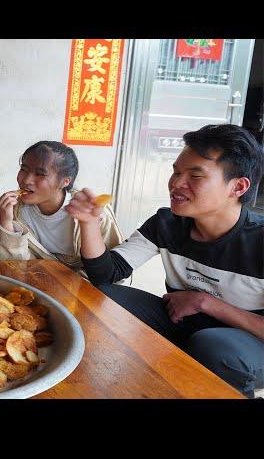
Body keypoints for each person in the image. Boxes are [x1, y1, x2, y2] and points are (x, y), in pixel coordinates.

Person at [66, 124, 264, 398]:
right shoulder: (167, 224)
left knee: (215, 347)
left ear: (238, 186)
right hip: (182, 321)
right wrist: (89, 223)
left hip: (248, 343)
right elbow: (106, 275)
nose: (176, 183)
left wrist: (204, 302)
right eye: (176, 171)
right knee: (97, 298)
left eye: (195, 175)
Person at [0, 141, 123, 277]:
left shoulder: (91, 212)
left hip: (84, 290)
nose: (26, 180)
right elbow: (11, 268)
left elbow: (111, 274)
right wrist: (6, 222)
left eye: (40, 174)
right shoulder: (16, 210)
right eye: (24, 169)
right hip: (37, 285)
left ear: (65, 181)